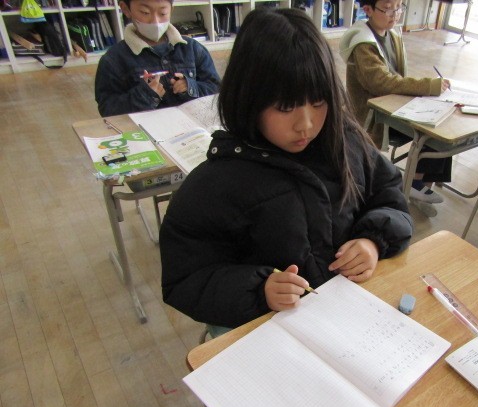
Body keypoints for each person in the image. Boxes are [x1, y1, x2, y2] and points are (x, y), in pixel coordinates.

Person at [159, 8, 413, 329]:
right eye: (285, 107)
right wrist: (259, 289)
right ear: (248, 98)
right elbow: (186, 278)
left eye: (318, 102)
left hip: (349, 314)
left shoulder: (346, 142)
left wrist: (373, 241)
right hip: (269, 327)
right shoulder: (217, 182)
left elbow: (390, 196)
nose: (305, 124)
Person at [339, 0, 451, 209]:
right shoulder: (363, 43)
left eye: (399, 7)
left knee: (442, 123)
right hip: (373, 114)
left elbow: (397, 78)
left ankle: (419, 182)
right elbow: (381, 83)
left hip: (395, 104)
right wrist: (428, 86)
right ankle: (414, 184)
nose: (395, 13)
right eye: (388, 8)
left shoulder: (393, 35)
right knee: (431, 131)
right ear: (368, 10)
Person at [94, 0, 221, 117]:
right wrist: (144, 96)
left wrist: (191, 87)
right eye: (145, 12)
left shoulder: (193, 48)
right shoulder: (113, 60)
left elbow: (216, 89)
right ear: (126, 9)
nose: (155, 21)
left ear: (171, 9)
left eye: (163, 13)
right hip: (144, 130)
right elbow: (107, 108)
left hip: (192, 126)